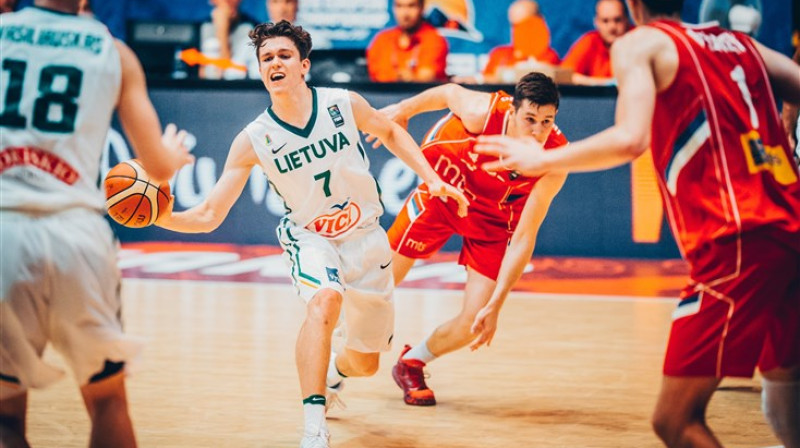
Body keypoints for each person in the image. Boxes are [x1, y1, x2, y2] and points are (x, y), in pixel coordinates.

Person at [472, 0, 800, 446]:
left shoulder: (641, 43)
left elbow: (630, 138)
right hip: (791, 223)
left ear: (632, 5)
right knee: (784, 380)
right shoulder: (742, 44)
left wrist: (541, 159)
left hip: (738, 236)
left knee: (675, 421)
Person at [155, 20, 468, 448]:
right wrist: (159, 217)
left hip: (367, 239)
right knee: (324, 302)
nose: (275, 63)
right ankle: (312, 428)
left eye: (284, 56)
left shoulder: (343, 104)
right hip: (310, 236)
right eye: (267, 58)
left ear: (304, 66)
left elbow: (391, 131)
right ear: (261, 70)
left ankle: (337, 374)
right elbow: (210, 213)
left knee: (365, 364)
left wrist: (431, 178)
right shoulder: (253, 140)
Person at [0, 1, 193, 447]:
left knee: (6, 415)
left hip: (6, 231)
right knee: (108, 402)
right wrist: (173, 155)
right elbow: (158, 167)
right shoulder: (112, 51)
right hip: (76, 235)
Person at [368, 73, 568, 406]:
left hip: (491, 220)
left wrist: (498, 303)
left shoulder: (555, 159)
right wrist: (405, 108)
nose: (537, 131)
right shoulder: (482, 112)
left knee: (475, 322)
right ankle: (336, 369)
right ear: (513, 112)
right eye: (530, 119)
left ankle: (411, 362)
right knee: (377, 285)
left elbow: (524, 236)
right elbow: (448, 92)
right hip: (448, 190)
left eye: (546, 122)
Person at [366, 0, 448, 83]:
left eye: (411, 6)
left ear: (422, 7)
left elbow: (426, 79)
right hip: (384, 94)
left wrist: (409, 78)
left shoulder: (434, 39)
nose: (405, 14)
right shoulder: (382, 40)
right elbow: (375, 79)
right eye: (399, 6)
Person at [480, 0, 560, 83]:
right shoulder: (499, 54)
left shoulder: (550, 56)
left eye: (525, 25)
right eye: (514, 25)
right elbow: (484, 79)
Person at [560, 0, 630, 85]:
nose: (612, 27)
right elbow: (563, 75)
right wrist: (605, 84)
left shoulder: (639, 40)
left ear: (627, 20)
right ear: (596, 22)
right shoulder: (590, 41)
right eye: (605, 21)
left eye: (617, 20)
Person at [200, 0, 260, 79]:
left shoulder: (254, 28)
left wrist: (222, 30)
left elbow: (229, 75)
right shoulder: (201, 28)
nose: (227, 1)